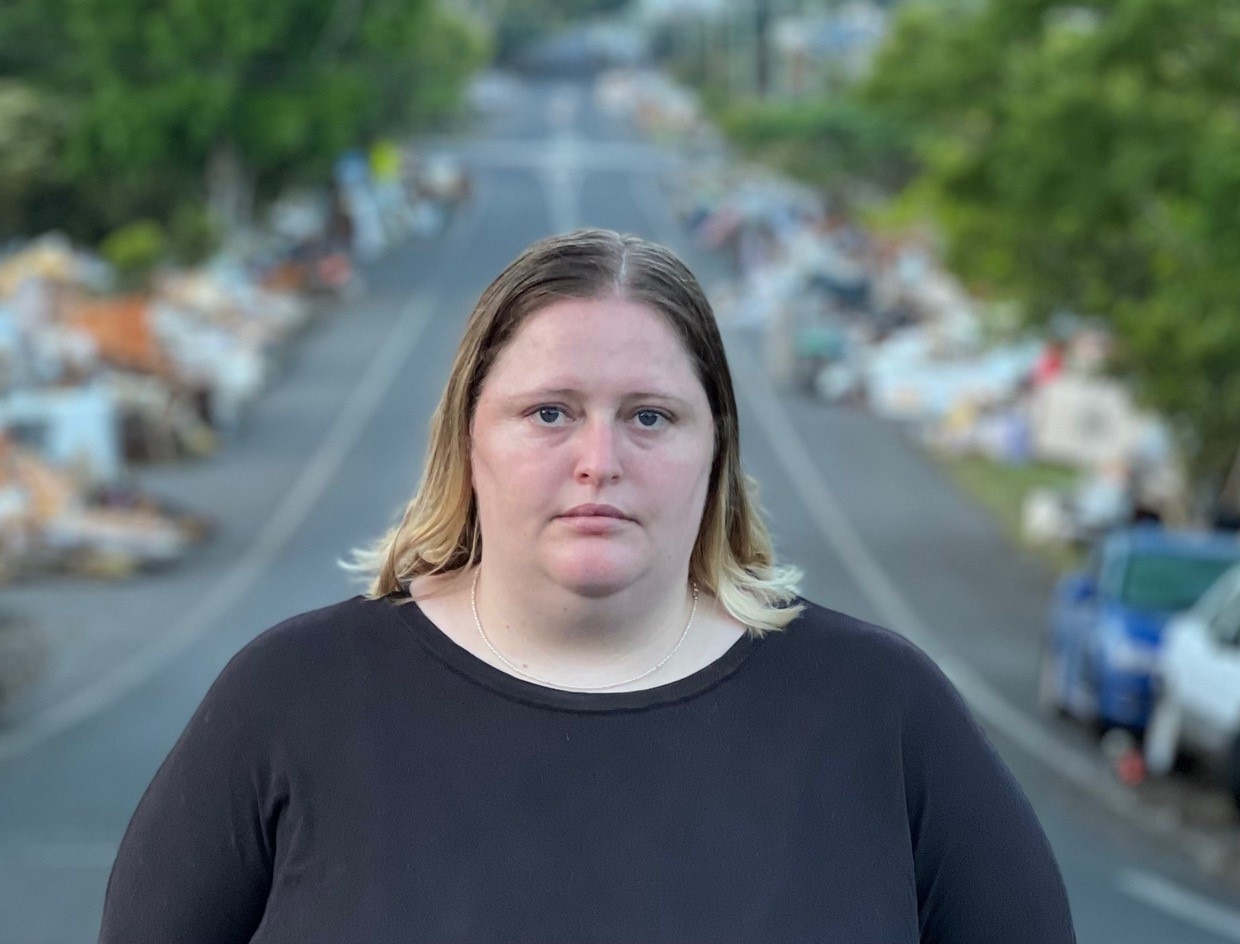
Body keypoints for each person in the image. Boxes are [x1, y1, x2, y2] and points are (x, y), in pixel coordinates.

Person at [99, 229, 1076, 943]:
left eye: (649, 416)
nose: (597, 458)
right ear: (466, 439)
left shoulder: (881, 709)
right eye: (549, 411)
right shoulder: (287, 697)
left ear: (715, 451)